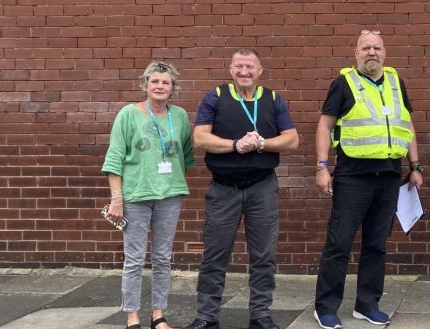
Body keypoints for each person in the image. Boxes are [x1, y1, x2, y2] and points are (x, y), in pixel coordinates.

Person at [312, 30, 424, 329]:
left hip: (389, 175)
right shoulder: (343, 83)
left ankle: (367, 304)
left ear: (384, 52)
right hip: (353, 176)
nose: (371, 52)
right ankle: (325, 307)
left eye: (376, 47)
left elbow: (407, 124)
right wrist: (322, 167)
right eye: (366, 48)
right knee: (340, 243)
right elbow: (324, 127)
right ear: (356, 52)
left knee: (377, 244)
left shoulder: (396, 82)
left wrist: (415, 165)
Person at [185, 48, 300, 329]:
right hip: (224, 189)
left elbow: (292, 140)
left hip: (262, 188)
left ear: (260, 70)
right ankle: (207, 317)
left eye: (250, 67)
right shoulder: (216, 96)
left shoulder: (273, 99)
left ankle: (260, 315)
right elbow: (200, 138)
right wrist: (236, 145)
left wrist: (262, 144)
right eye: (239, 66)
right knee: (215, 254)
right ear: (230, 69)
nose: (244, 72)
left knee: (264, 255)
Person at [103, 61, 192, 329]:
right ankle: (132, 316)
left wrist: (170, 180)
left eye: (166, 82)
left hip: (169, 195)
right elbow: (115, 158)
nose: (160, 86)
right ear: (145, 85)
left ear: (173, 87)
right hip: (136, 196)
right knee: (134, 258)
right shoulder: (128, 114)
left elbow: (186, 156)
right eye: (155, 81)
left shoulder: (180, 116)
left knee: (163, 257)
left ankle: (158, 315)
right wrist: (116, 200)